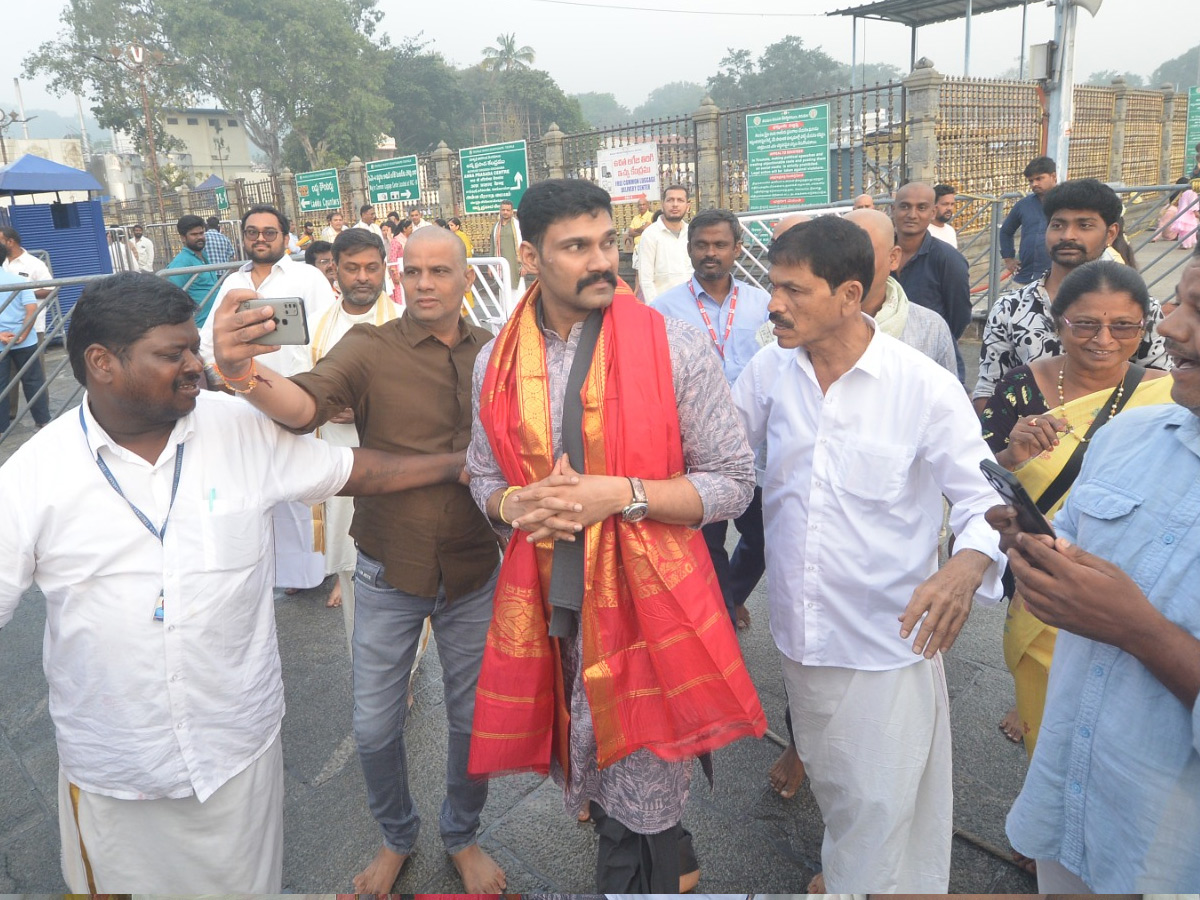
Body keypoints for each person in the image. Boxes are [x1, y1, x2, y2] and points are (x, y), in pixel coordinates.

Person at [0, 271, 470, 893]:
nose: (198, 366)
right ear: (101, 363)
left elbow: (356, 470)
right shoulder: (35, 473)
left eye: (194, 348)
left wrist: (462, 466)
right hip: (116, 768)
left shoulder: (236, 427)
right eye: (173, 355)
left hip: (236, 752)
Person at [466, 178, 765, 892]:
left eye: (607, 242)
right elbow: (481, 478)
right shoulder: (495, 364)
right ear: (530, 256)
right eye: (577, 248)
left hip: (649, 613)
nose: (602, 261)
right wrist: (515, 506)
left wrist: (622, 495)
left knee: (646, 806)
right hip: (550, 610)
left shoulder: (674, 348)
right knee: (591, 771)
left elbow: (733, 481)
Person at [210, 225, 506, 895]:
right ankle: (396, 835)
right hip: (386, 567)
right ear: (402, 282)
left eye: (441, 271)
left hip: (474, 570)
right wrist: (245, 375)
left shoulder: (495, 353)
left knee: (474, 721)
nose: (426, 283)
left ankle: (462, 834)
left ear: (466, 280)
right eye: (417, 272)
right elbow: (305, 404)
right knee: (374, 726)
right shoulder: (369, 348)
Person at [731, 215, 1003, 892]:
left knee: (882, 803)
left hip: (887, 641)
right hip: (800, 633)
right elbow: (716, 456)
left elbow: (986, 503)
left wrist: (966, 567)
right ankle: (852, 873)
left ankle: (860, 881)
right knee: (838, 785)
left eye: (794, 290)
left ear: (850, 295)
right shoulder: (770, 370)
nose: (775, 304)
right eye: (774, 286)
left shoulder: (922, 387)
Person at [990, 248, 1200, 893]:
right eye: (1179, 304)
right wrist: (1033, 549)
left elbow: (1121, 620)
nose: (1171, 329)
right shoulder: (1127, 438)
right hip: (1071, 796)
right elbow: (1065, 561)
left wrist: (1141, 631)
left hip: (1171, 846)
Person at [980, 260, 1172, 758]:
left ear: (1143, 328)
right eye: (1085, 323)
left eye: (1123, 325)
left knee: (1121, 735)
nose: (1103, 338)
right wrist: (1012, 455)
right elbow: (979, 480)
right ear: (1058, 321)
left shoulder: (1168, 395)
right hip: (1045, 581)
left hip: (1137, 590)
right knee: (1048, 730)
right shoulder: (1021, 388)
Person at [199, 204, 337, 592]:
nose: (260, 238)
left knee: (304, 485)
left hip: (296, 395)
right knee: (260, 487)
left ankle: (319, 569)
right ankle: (285, 575)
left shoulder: (307, 277)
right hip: (242, 400)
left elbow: (327, 335)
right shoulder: (231, 284)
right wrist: (218, 378)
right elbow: (210, 340)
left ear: (286, 237)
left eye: (269, 232)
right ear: (243, 237)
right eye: (252, 232)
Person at [651, 208, 771, 632]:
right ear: (689, 249)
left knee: (762, 538)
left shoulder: (764, 306)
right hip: (698, 451)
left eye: (720, 245)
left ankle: (732, 594)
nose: (710, 253)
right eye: (701, 245)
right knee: (708, 539)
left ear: (738, 249)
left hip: (758, 448)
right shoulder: (661, 311)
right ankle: (719, 610)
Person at [974, 178, 1170, 412]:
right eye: (1058, 225)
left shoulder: (1142, 311)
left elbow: (1160, 389)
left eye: (1084, 225)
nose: (1068, 235)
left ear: (1111, 233)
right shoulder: (1011, 308)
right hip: (1030, 444)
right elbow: (989, 392)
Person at [297, 228, 401, 642]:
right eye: (352, 268)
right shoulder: (318, 327)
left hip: (393, 467)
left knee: (401, 572)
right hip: (336, 468)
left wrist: (364, 407)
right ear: (333, 271)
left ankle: (406, 669)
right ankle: (367, 668)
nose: (362, 277)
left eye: (371, 268)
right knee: (351, 569)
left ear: (384, 270)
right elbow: (298, 387)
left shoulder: (403, 324)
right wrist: (322, 404)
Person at [847, 208, 957, 374]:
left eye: (862, 254)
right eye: (839, 255)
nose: (847, 265)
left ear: (893, 258)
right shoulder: (814, 326)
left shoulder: (929, 328)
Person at [891, 181, 972, 381]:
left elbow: (959, 316)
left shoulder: (948, 260)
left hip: (933, 364)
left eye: (921, 208)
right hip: (888, 365)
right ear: (893, 210)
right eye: (905, 206)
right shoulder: (878, 255)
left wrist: (932, 337)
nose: (912, 214)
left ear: (933, 212)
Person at [1, 226, 53, 421]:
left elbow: (49, 288)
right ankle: (9, 416)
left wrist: (24, 290)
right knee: (7, 378)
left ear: (10, 241)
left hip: (31, 328)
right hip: (5, 332)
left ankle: (42, 416)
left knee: (33, 375)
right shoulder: (3, 263)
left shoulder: (33, 264)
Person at [1000, 156, 1057, 287]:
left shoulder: (1068, 203)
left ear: (1053, 176)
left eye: (1039, 178)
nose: (1034, 184)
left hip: (1058, 278)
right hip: (1026, 277)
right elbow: (1006, 231)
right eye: (1031, 181)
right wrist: (1008, 258)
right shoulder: (1024, 205)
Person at [636, 184, 691, 303]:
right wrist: (655, 308)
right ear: (662, 204)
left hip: (691, 305)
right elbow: (646, 280)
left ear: (688, 206)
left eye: (680, 200)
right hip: (663, 307)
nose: (675, 204)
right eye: (670, 200)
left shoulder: (691, 233)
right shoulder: (650, 234)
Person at [165, 215, 221, 324]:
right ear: (183, 238)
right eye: (194, 234)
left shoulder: (203, 257)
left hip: (214, 321)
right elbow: (170, 297)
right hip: (199, 325)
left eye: (201, 233)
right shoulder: (181, 263)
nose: (199, 237)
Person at [491, 200, 525, 293]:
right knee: (503, 293)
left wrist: (525, 265)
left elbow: (525, 245)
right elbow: (492, 247)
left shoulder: (518, 226)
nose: (505, 212)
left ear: (512, 211)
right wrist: (491, 266)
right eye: (503, 210)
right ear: (500, 210)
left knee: (517, 294)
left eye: (508, 210)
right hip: (500, 267)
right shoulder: (496, 227)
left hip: (516, 266)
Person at [928, 184, 958, 248]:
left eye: (952, 204)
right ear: (934, 206)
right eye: (945, 204)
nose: (949, 208)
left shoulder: (950, 231)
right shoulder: (924, 232)